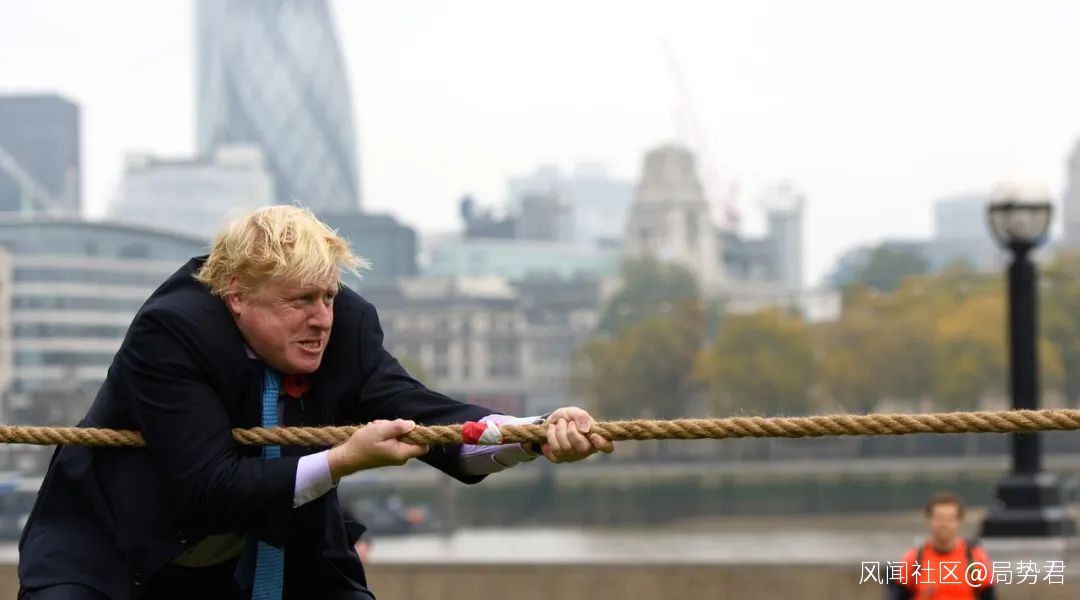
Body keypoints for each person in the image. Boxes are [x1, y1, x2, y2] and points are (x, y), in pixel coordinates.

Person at [17, 206, 615, 599]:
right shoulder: (171, 330)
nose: (321, 319)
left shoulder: (349, 324)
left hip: (279, 548)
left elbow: (425, 415)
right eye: (300, 301)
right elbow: (209, 486)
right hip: (115, 549)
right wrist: (343, 460)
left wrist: (532, 435)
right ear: (236, 295)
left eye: (328, 296)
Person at [888, 492, 996, 600]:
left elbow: (988, 595)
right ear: (929, 520)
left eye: (950, 519)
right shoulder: (913, 558)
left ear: (959, 522)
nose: (944, 524)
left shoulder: (975, 558)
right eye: (939, 518)